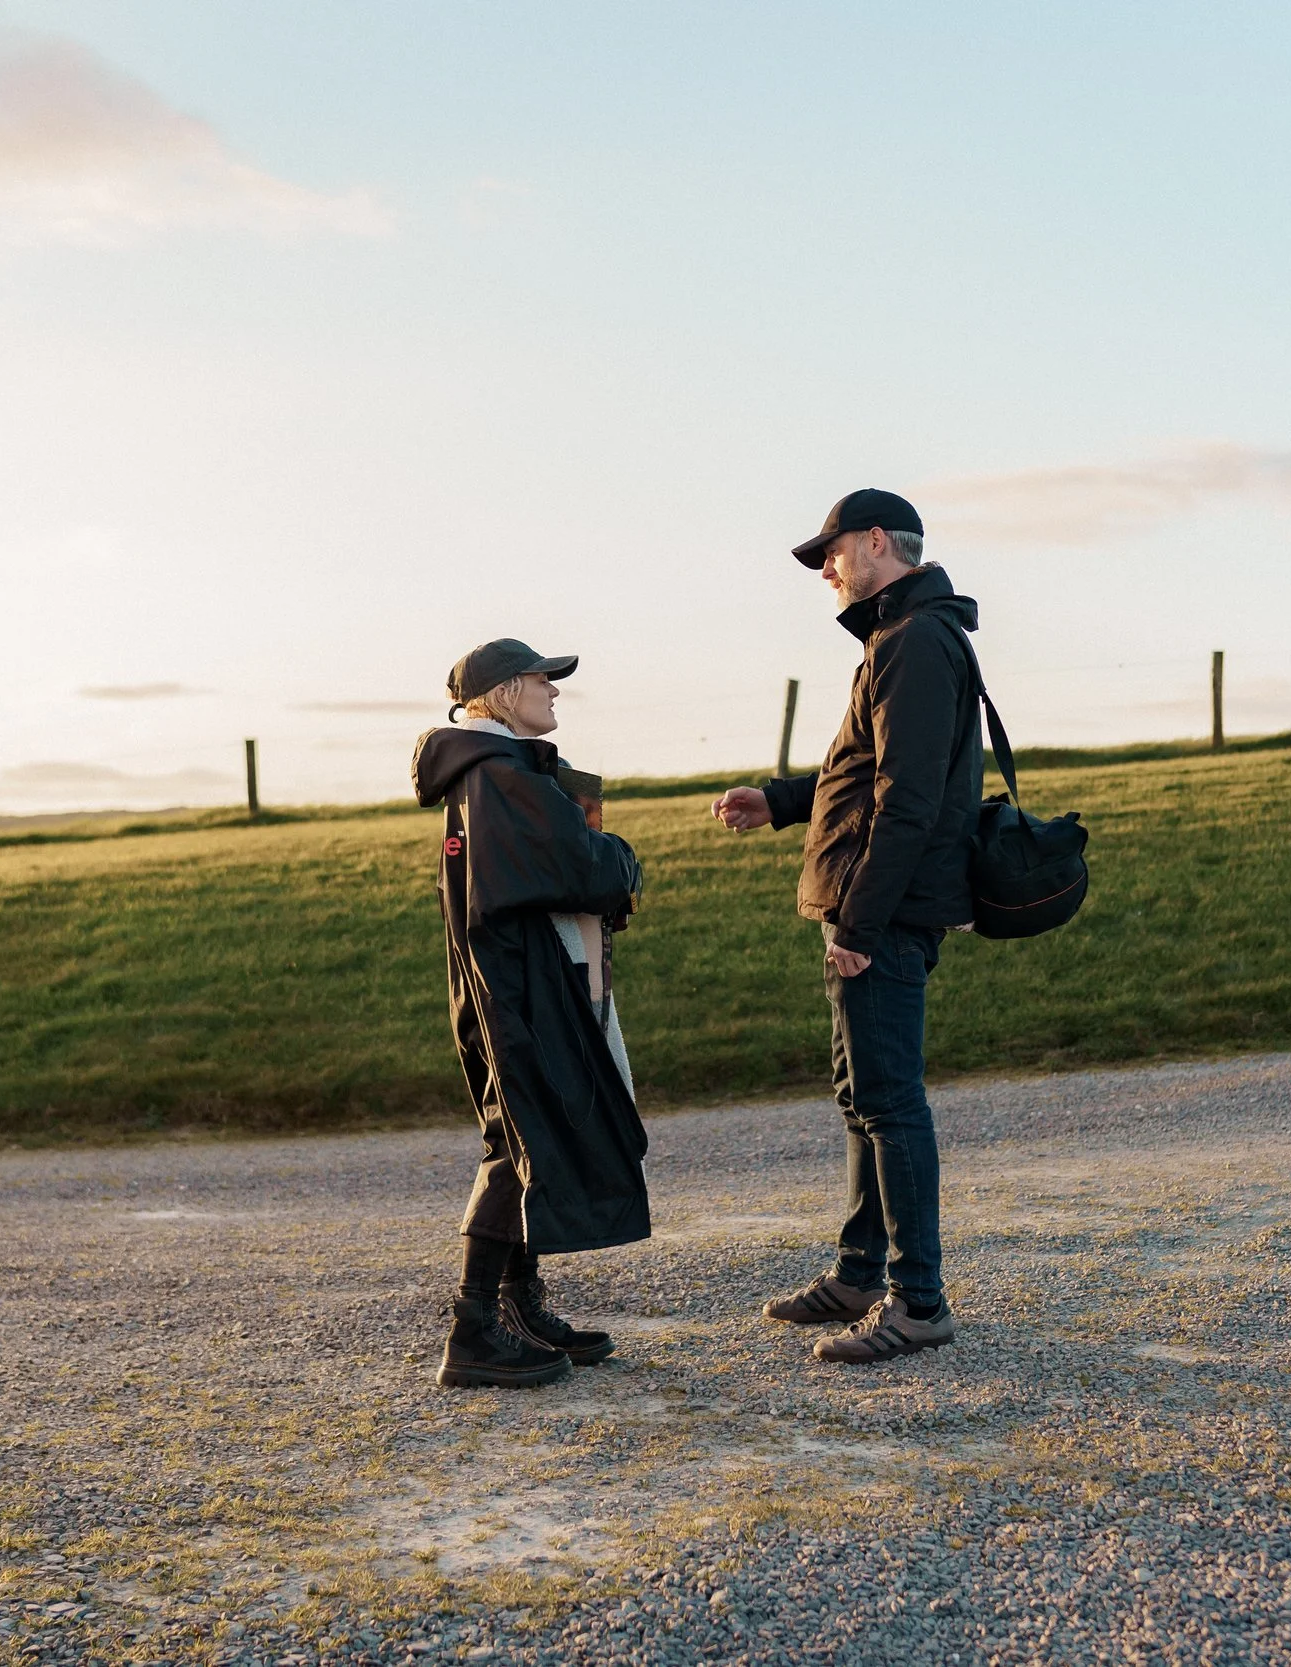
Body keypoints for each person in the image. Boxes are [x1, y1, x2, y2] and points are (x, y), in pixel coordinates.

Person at [711, 489, 982, 1365]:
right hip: (871, 910)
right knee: (863, 1100)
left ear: (876, 542)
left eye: (829, 552)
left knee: (891, 1104)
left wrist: (859, 923)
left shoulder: (917, 642)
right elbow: (856, 768)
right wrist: (780, 800)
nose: (824, 569)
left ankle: (919, 1301)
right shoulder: (893, 641)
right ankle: (861, 1274)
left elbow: (908, 802)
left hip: (885, 915)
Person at [412, 638, 648, 1389]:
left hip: (505, 980)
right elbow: (582, 865)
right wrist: (622, 857)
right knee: (520, 1134)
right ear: (508, 691)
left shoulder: (490, 773)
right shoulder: (501, 777)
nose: (555, 692)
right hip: (521, 986)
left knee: (522, 1135)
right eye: (546, 681)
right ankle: (474, 1324)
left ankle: (516, 1305)